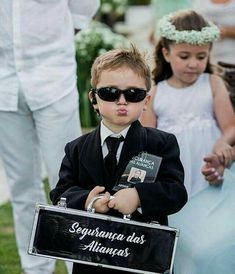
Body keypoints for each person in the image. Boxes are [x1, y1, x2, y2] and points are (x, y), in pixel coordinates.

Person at [50, 45, 188, 274]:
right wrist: (87, 200)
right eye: (110, 93)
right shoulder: (76, 148)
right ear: (94, 98)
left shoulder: (161, 144)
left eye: (133, 94)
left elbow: (176, 192)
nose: (122, 101)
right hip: (91, 257)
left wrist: (139, 196)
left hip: (144, 258)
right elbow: (60, 194)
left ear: (146, 100)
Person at [0, 1, 100, 274]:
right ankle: (35, 268)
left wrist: (61, 34)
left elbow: (85, 6)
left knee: (68, 185)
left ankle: (76, 267)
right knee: (21, 187)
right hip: (4, 84)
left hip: (53, 79)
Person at [140, 9, 235, 274]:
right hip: (175, 174)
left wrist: (221, 145)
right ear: (166, 53)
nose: (193, 63)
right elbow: (148, 143)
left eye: (201, 56)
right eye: (184, 56)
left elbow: (230, 127)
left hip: (208, 172)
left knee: (210, 233)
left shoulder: (212, 83)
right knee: (179, 231)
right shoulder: (156, 93)